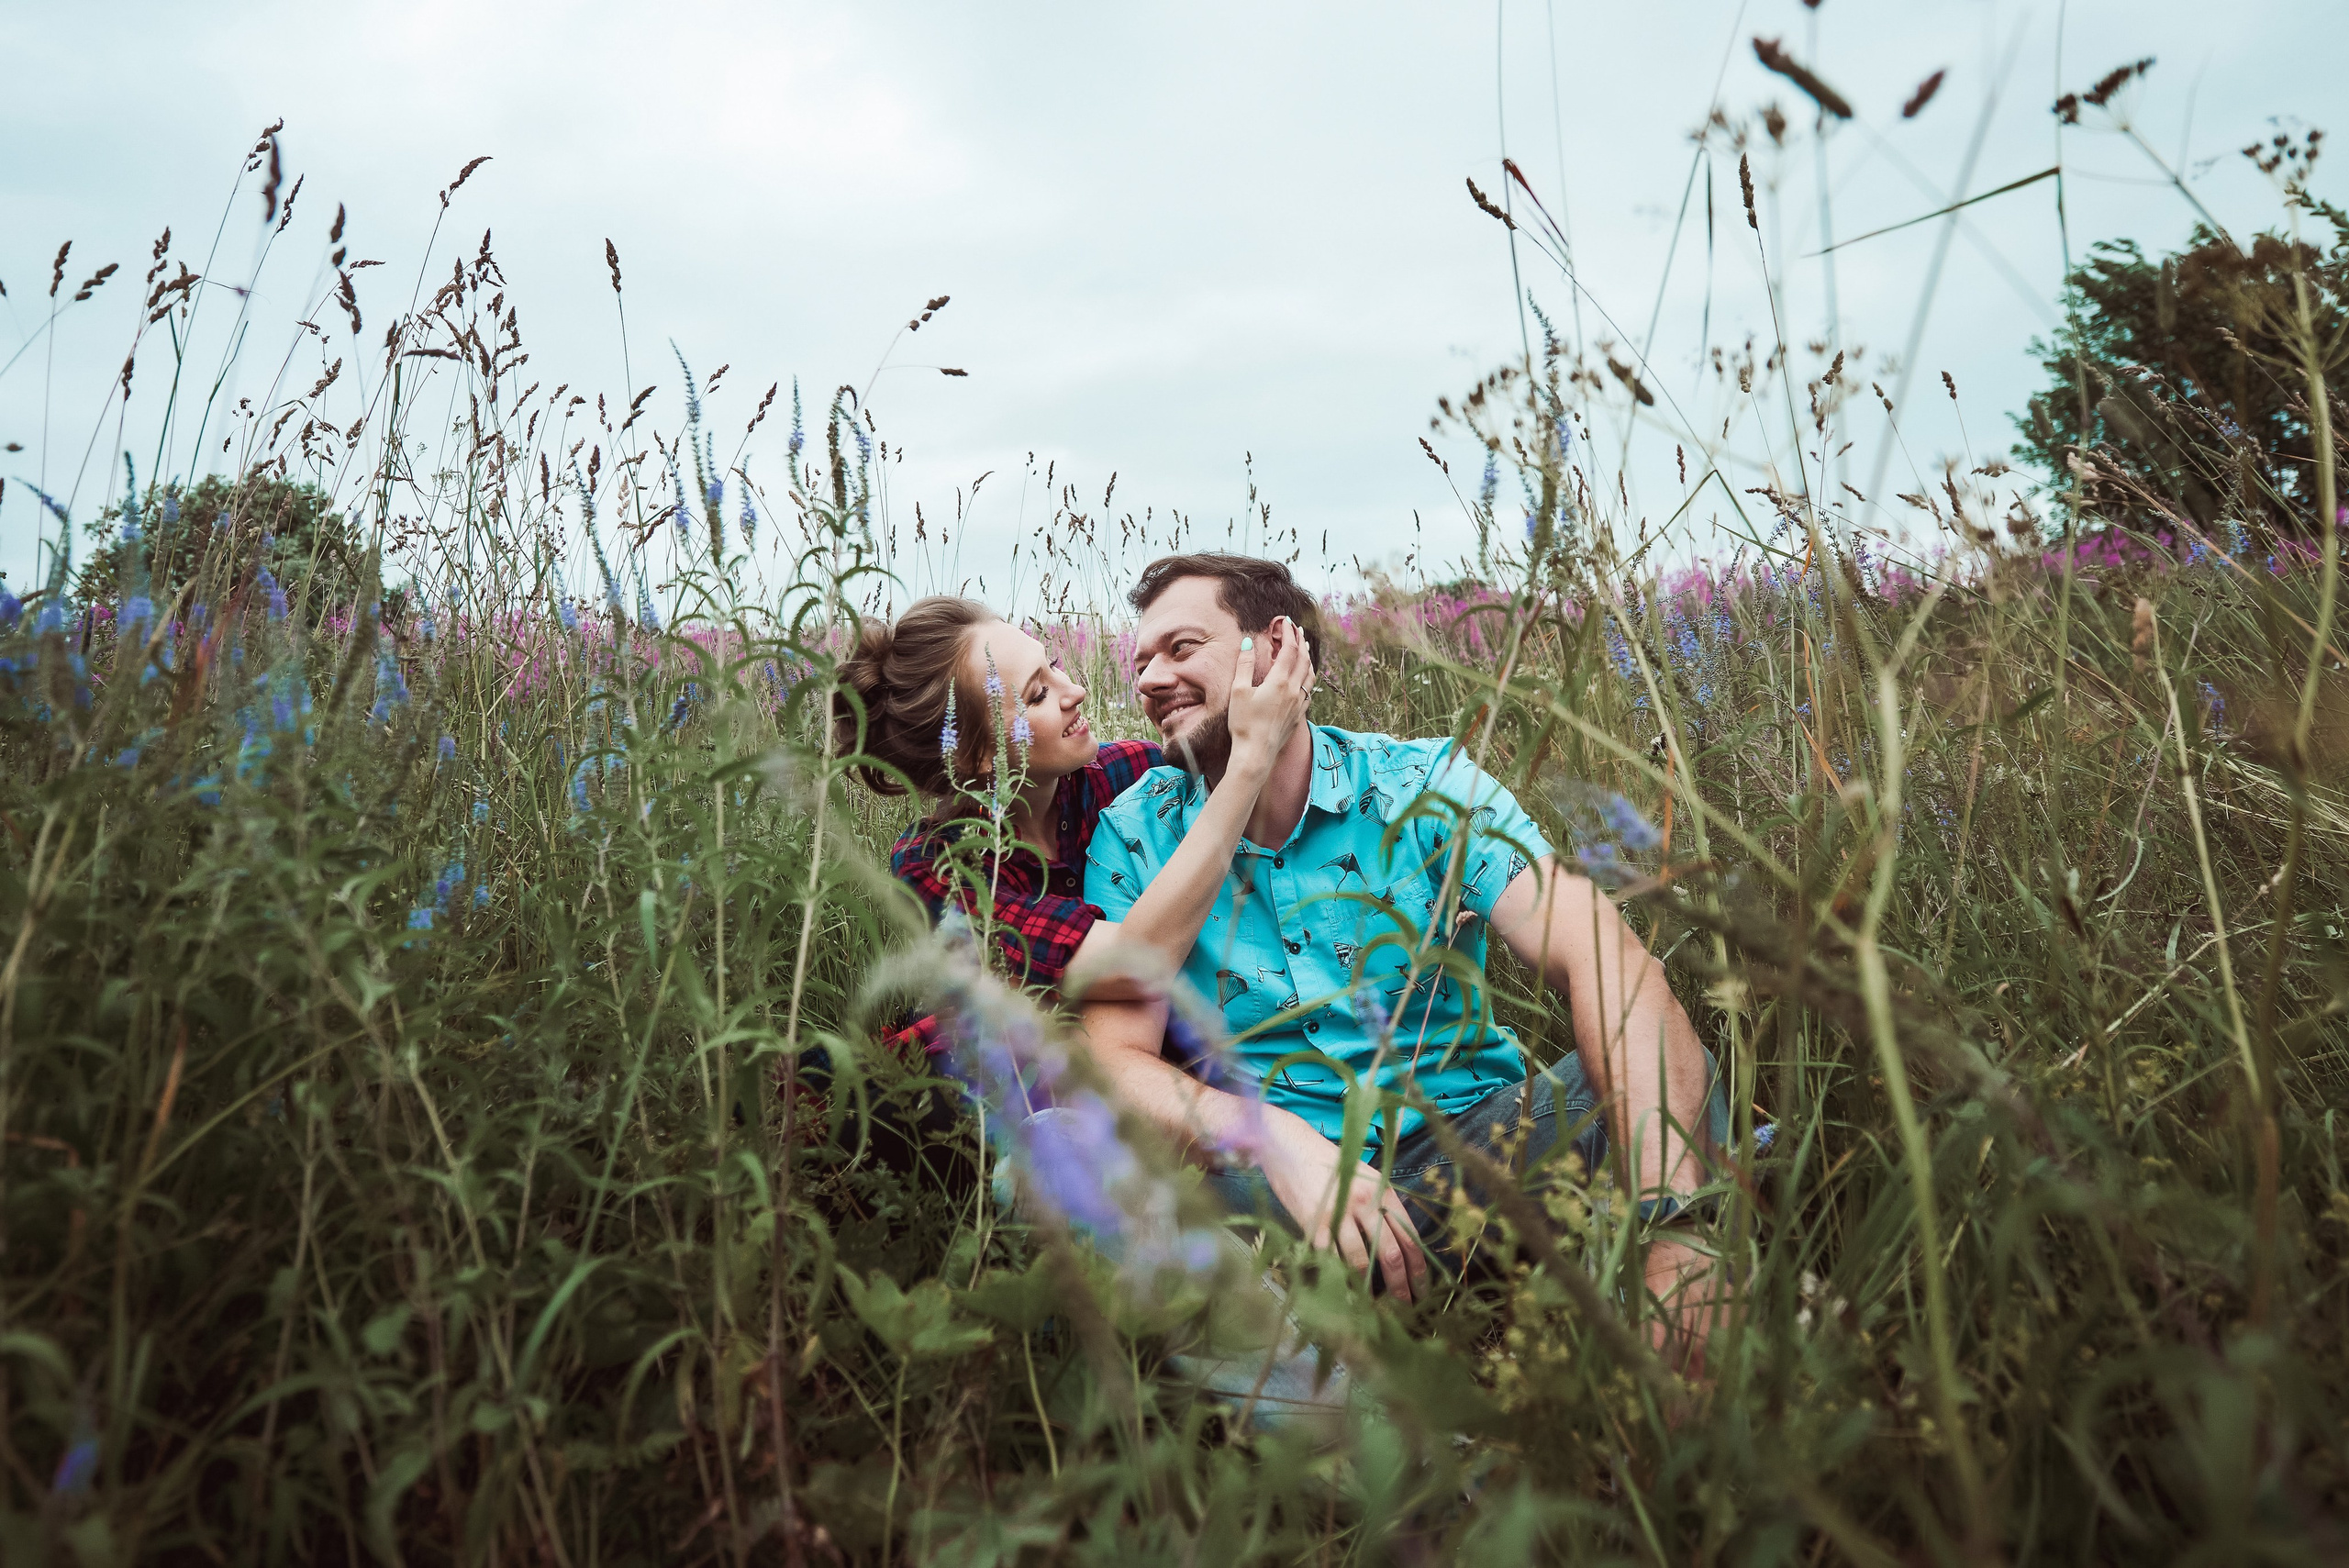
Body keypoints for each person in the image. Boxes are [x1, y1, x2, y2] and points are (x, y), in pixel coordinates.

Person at [1078, 554, 1728, 1334]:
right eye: (1141, 660)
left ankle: (1670, 1277)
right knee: (1066, 1161)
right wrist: (1277, 1139)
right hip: (1285, 1196)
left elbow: (1598, 948)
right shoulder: (1134, 833)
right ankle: (1373, 1436)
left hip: (1479, 1154)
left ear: (1278, 647)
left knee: (1656, 1059)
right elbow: (1114, 1060)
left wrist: (1673, 1227)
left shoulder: (1422, 785)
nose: (1147, 679)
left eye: (1180, 649)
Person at [831, 594, 1317, 1056]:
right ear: (973, 754)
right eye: (1039, 693)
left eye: (1055, 667)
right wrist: (1251, 760)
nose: (1076, 692)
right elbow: (1135, 964)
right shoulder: (940, 868)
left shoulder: (1131, 773)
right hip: (1002, 1084)